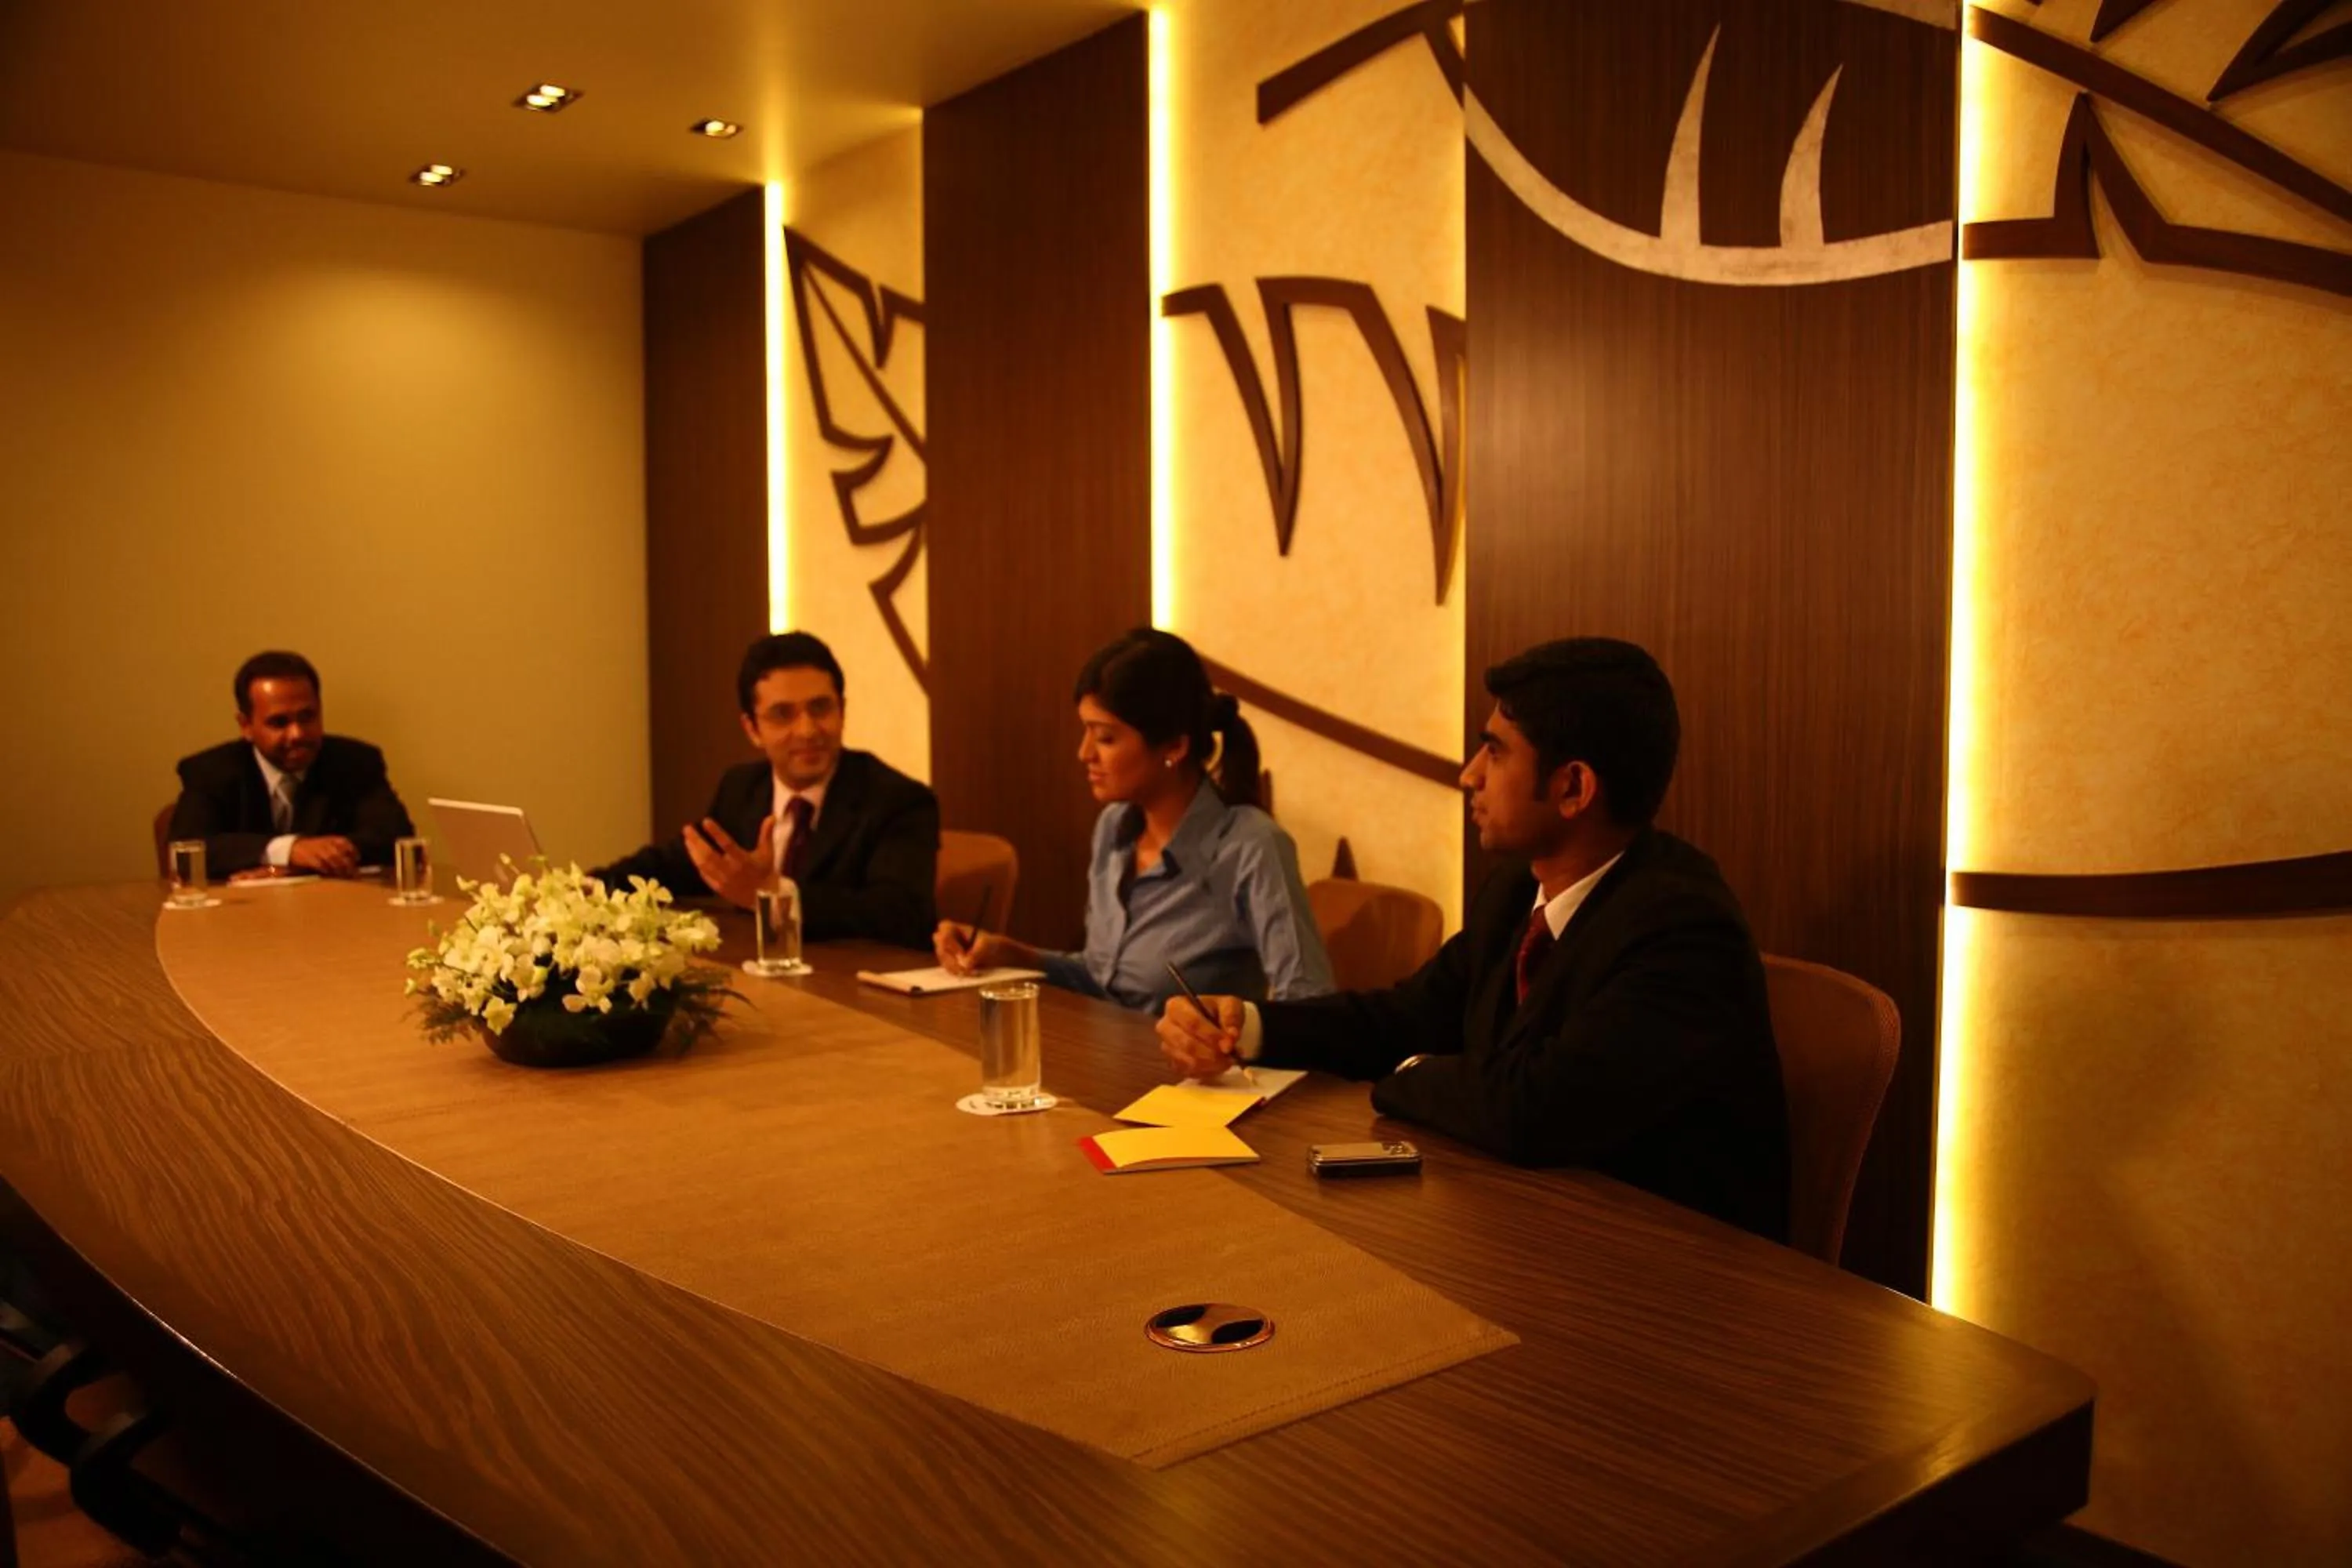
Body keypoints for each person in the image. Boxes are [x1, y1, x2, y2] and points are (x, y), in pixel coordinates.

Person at [1156, 637, 1790, 1242]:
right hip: (1532, 1228)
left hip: (1673, 1283)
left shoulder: (1682, 930)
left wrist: (1412, 1072)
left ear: (1573, 787)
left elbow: (1537, 1110)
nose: (1469, 775)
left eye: (1495, 751)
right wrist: (1250, 1025)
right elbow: (1408, 1014)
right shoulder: (1517, 890)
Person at [935, 627, 1334, 1011]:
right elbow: (1105, 980)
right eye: (1086, 732)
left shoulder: (1251, 845)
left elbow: (1309, 999)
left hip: (1190, 1075)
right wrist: (1010, 952)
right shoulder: (1114, 827)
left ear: (1175, 746)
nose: (1084, 753)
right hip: (1106, 1061)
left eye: (1105, 738)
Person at [595, 631, 938, 949]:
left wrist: (774, 894)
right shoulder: (743, 788)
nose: (807, 730)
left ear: (842, 711)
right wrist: (587, 889)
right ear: (752, 728)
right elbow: (678, 864)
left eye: (820, 708)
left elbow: (901, 914)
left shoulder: (897, 799)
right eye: (782, 715)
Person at [168, 651, 415, 879]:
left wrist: (300, 865)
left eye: (307, 717)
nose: (297, 734)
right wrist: (287, 850)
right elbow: (188, 851)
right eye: (279, 722)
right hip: (239, 915)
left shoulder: (355, 762)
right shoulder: (211, 771)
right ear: (246, 725)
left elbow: (398, 841)